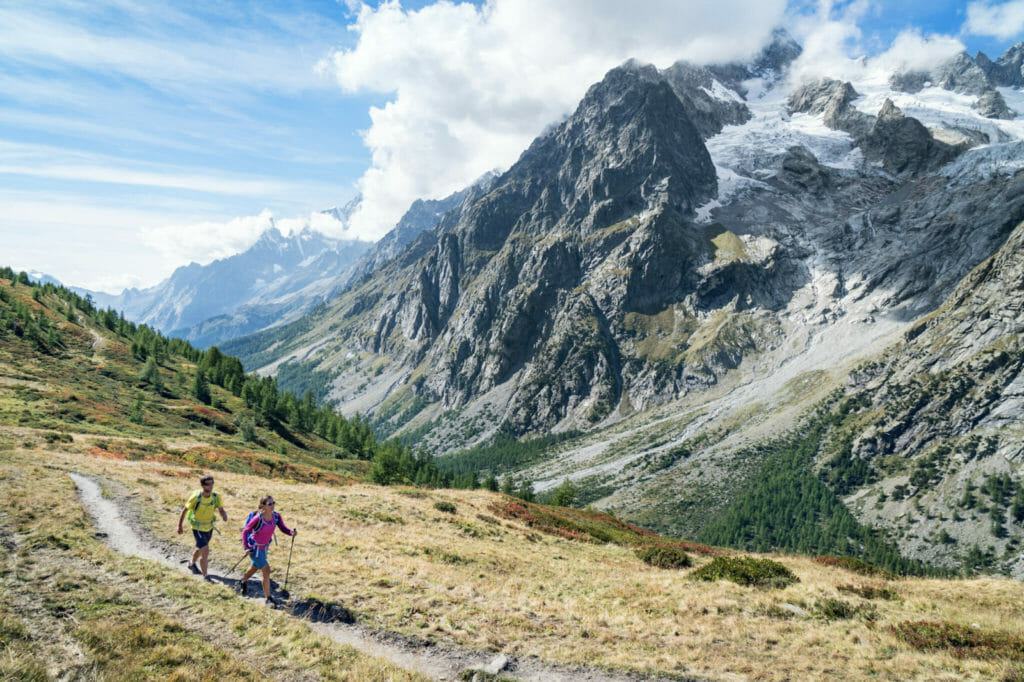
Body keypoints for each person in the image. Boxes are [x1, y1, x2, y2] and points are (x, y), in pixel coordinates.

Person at [236, 495, 296, 606]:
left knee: (254, 567)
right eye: (269, 504)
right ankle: (268, 598)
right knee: (266, 570)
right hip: (255, 549)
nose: (272, 505)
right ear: (263, 506)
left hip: (264, 548)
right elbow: (245, 531)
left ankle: (242, 581)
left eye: (273, 503)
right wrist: (246, 547)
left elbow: (283, 528)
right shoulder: (258, 518)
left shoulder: (276, 516)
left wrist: (291, 532)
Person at [177, 474, 228, 580]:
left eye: (212, 483)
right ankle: (205, 576)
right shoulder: (196, 497)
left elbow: (221, 509)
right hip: (197, 527)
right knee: (205, 551)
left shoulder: (216, 496)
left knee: (199, 549)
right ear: (202, 485)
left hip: (209, 527)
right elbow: (184, 510)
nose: (210, 486)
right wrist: (180, 526)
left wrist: (224, 515)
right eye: (208, 484)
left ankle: (192, 563)